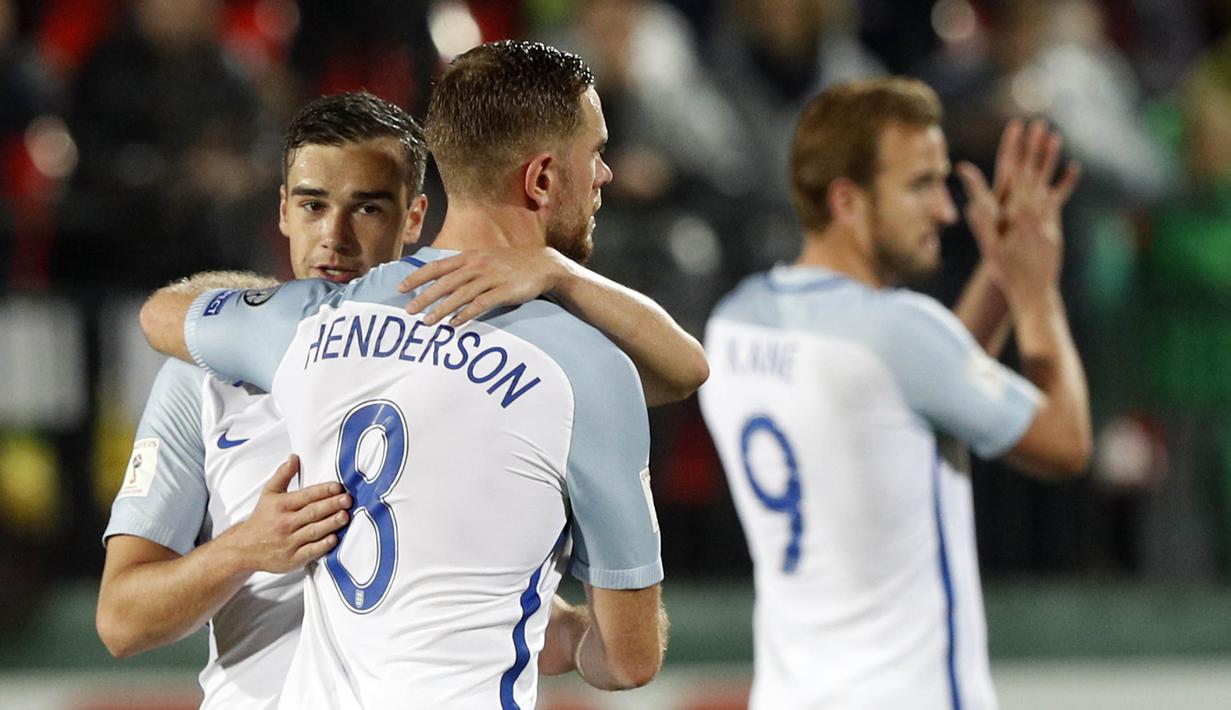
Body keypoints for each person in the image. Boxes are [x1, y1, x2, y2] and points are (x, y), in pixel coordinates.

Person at [100, 87, 700, 707]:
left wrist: (558, 271)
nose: (333, 237)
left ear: (415, 217)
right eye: (312, 206)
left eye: (367, 209)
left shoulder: (476, 366)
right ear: (282, 211)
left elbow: (675, 370)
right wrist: (241, 550)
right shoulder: (202, 378)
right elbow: (121, 620)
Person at [698, 77, 1091, 709]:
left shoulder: (734, 322)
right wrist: (1034, 290)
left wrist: (996, 272)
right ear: (848, 201)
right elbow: (1066, 443)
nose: (946, 210)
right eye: (920, 186)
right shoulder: (897, 333)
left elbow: (917, 387)